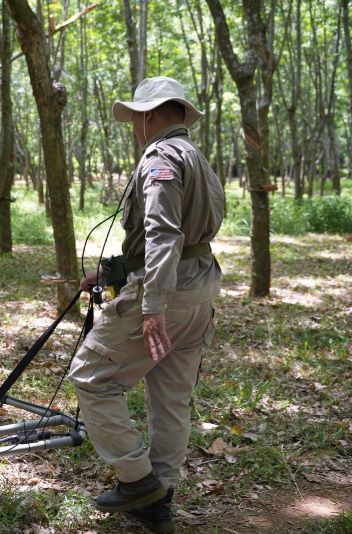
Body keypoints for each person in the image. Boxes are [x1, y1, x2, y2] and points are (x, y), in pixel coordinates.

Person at [67, 77, 224, 533]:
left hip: (166, 294)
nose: (135, 125)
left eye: (137, 116)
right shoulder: (198, 158)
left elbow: (163, 233)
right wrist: (115, 271)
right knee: (171, 396)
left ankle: (138, 480)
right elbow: (185, 237)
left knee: (91, 376)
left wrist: (152, 305)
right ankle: (159, 503)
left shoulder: (160, 157)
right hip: (199, 289)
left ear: (150, 114)